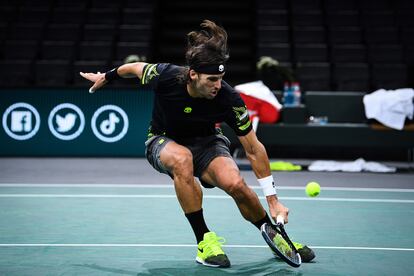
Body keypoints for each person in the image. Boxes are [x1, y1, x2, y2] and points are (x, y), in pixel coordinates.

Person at [80, 20, 315, 268]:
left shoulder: (229, 99)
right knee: (182, 159)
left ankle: (275, 236)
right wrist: (106, 76)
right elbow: (135, 68)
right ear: (193, 74)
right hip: (162, 140)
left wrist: (273, 199)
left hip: (207, 143)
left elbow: (254, 148)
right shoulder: (166, 76)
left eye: (221, 78)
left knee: (235, 183)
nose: (217, 85)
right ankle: (204, 241)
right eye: (212, 79)